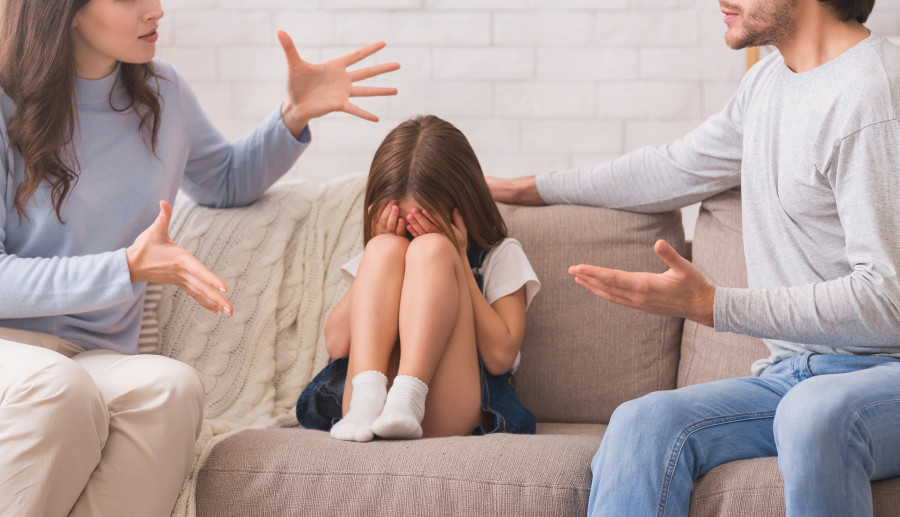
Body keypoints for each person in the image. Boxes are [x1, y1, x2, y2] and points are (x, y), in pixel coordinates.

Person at [488, 0, 900, 514]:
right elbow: (672, 168)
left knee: (812, 412)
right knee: (644, 423)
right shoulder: (768, 83)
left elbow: (888, 301)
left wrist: (714, 305)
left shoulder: (874, 92)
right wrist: (525, 188)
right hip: (791, 374)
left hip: (884, 373)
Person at [0, 0, 399, 515]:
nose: (157, 9)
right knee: (62, 391)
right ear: (66, 11)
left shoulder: (161, 93)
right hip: (12, 346)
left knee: (172, 388)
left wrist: (292, 116)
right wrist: (124, 268)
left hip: (91, 354)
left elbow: (225, 181)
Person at [296, 115, 541, 442]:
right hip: (365, 410)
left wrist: (456, 260)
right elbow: (337, 343)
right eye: (403, 225)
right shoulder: (382, 252)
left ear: (461, 209)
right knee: (385, 250)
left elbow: (500, 358)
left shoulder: (499, 254)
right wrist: (376, 250)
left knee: (433, 252)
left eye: (424, 225)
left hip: (446, 407)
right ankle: (370, 399)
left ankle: (408, 395)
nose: (412, 237)